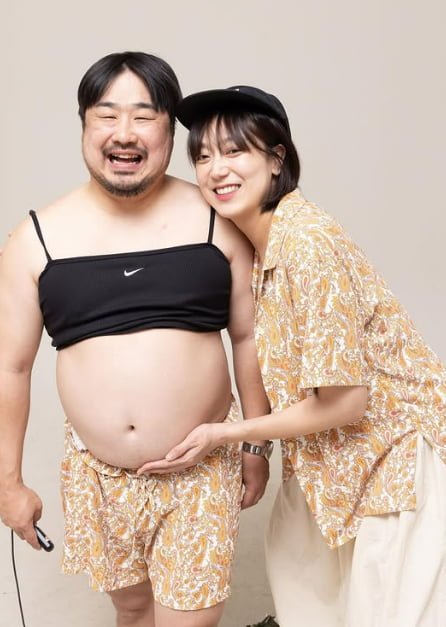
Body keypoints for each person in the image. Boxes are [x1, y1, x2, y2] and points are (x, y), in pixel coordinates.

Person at [139, 85, 446, 626]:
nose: (216, 169)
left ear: (276, 157)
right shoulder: (263, 248)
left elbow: (346, 401)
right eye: (203, 156)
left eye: (235, 150)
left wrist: (227, 435)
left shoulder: (307, 243)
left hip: (397, 470)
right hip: (336, 472)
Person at [0, 55, 271, 627]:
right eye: (107, 115)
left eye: (144, 117)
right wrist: (8, 483)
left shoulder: (216, 220)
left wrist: (255, 443)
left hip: (200, 469)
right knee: (132, 609)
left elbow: (248, 336)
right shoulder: (35, 238)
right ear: (84, 126)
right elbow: (10, 368)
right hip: (98, 478)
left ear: (171, 131)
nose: (124, 133)